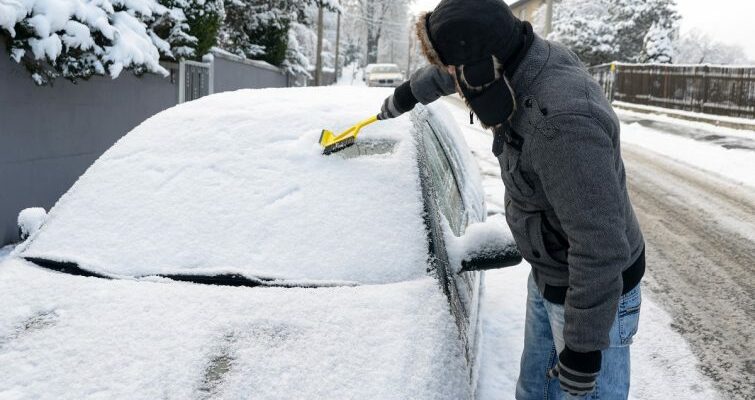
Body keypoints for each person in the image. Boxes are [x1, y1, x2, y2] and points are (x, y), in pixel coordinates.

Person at [377, 0, 646, 399]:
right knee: (534, 390)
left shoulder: (563, 124)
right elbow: (454, 71)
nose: (452, 78)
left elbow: (600, 247)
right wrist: (407, 95)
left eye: (455, 70)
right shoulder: (514, 58)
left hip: (592, 297)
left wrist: (583, 353)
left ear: (484, 68)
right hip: (551, 272)